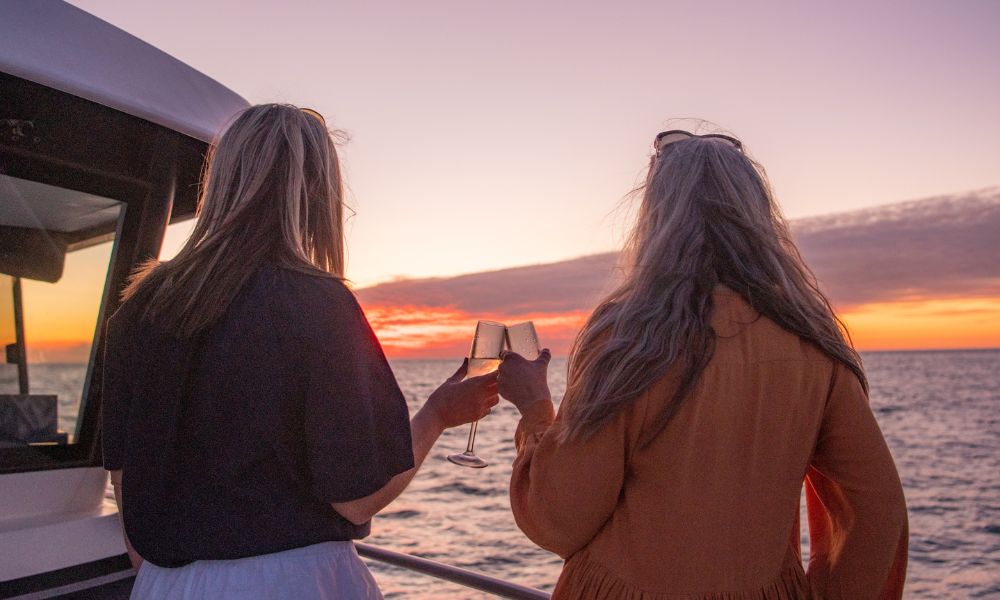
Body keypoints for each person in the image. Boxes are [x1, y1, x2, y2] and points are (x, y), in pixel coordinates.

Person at [101, 104, 498, 599]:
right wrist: (437, 414)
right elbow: (357, 499)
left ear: (221, 181)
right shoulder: (317, 304)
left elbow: (125, 481)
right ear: (316, 192)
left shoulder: (139, 308)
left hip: (163, 585)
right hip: (291, 583)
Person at [498, 129, 908, 599]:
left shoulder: (629, 341)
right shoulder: (813, 343)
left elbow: (560, 517)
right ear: (757, 218)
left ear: (657, 218)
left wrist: (535, 407)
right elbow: (877, 508)